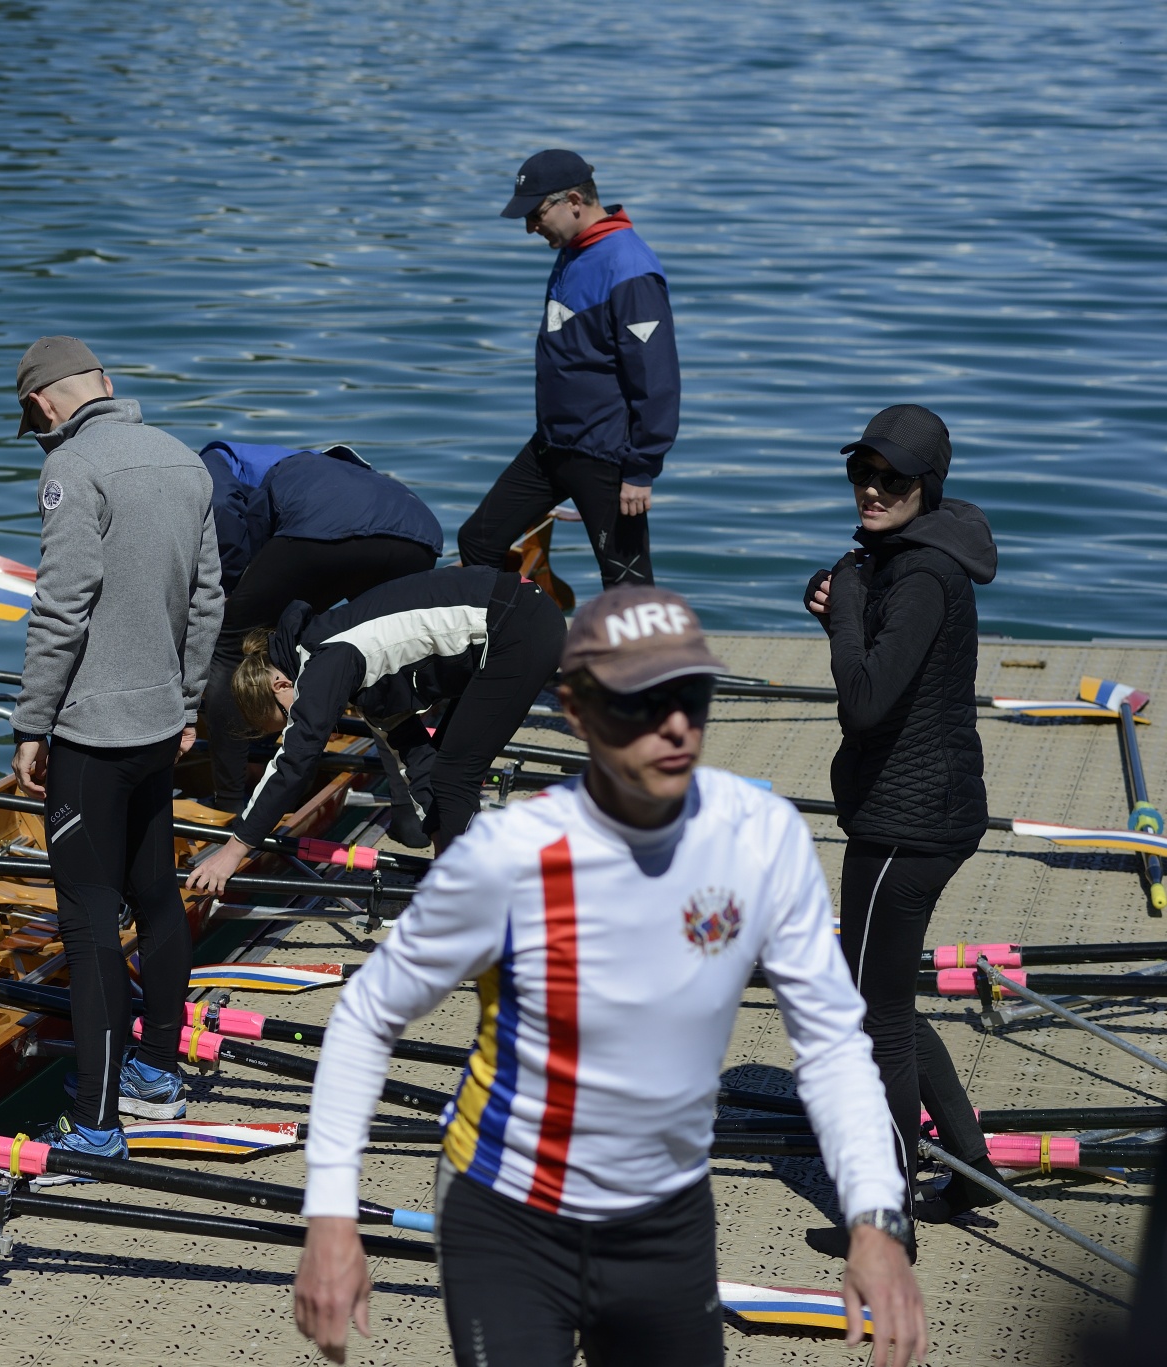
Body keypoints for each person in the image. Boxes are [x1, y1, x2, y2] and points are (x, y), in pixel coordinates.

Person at [293, 584, 925, 1367]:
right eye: (642, 702)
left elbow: (831, 1042)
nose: (675, 723)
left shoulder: (761, 839)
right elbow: (366, 1015)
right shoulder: (507, 857)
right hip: (507, 1214)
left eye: (691, 695)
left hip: (664, 1220)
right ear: (577, 711)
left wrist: (875, 1216)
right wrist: (331, 1216)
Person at [7, 336, 224, 1159]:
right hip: (161, 725)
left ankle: (97, 1126)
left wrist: (30, 724)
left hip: (92, 736)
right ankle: (157, 1072)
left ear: (42, 405)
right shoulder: (184, 461)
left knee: (90, 918)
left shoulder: (73, 469)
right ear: (104, 381)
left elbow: (61, 608)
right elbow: (208, 598)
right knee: (155, 890)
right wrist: (188, 702)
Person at [804, 404, 1003, 1224]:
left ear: (928, 486)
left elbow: (864, 700)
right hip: (919, 809)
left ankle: (887, 1210)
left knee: (868, 1014)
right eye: (864, 472)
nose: (873, 489)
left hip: (906, 823)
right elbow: (880, 641)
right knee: (885, 997)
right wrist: (841, 597)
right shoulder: (908, 557)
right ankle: (973, 1169)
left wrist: (847, 604)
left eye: (893, 479)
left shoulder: (921, 574)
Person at [185, 564, 564, 890]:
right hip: (515, 620)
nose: (294, 727)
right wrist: (440, 841)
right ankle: (461, 883)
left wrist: (233, 851)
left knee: (455, 774)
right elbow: (415, 759)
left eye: (287, 718)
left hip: (514, 622)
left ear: (281, 685)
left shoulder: (323, 659)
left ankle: (465, 902)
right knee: (445, 770)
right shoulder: (360, 683)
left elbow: (294, 761)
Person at [458, 149, 679, 588]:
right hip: (551, 445)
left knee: (628, 584)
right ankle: (521, 629)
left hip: (606, 455)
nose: (530, 227)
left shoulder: (629, 266)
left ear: (574, 200)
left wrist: (641, 469)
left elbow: (657, 377)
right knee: (478, 541)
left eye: (535, 215)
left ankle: (636, 642)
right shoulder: (575, 250)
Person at [197, 441, 443, 816]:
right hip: (418, 537)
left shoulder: (215, 456)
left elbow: (220, 505)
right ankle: (408, 807)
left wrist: (229, 586)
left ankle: (229, 800)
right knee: (383, 663)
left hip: (325, 527)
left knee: (230, 646)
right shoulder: (321, 465)